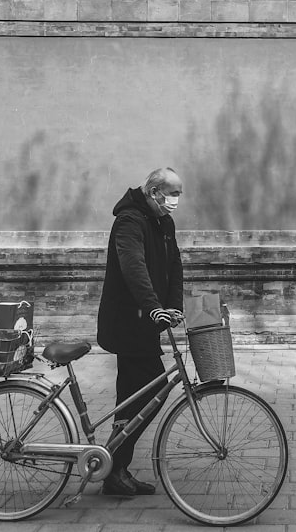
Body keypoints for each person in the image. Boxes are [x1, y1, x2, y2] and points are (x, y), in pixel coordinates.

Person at [97, 168, 185, 496]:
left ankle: (114, 468)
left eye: (179, 194)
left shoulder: (163, 222)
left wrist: (172, 306)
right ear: (152, 191)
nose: (175, 200)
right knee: (152, 387)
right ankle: (113, 467)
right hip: (128, 322)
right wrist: (152, 306)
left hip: (145, 321)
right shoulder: (129, 221)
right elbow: (132, 265)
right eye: (170, 193)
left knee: (134, 396)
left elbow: (175, 264)